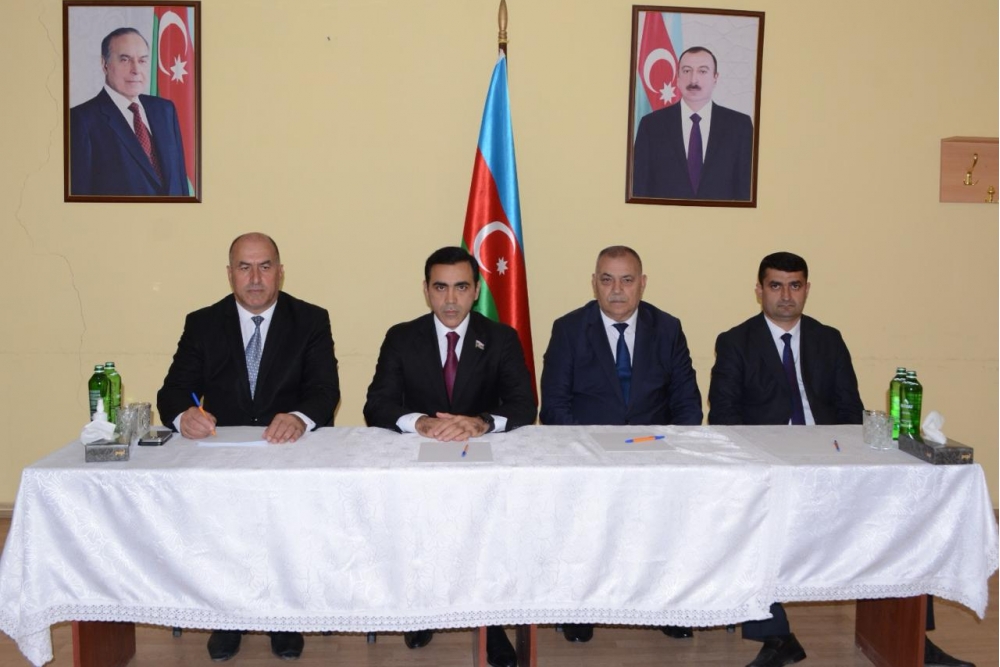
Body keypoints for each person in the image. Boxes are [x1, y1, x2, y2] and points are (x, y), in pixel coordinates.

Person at [708, 252, 973, 667]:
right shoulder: (735, 341)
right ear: (759, 290)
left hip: (831, 460)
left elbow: (851, 410)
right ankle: (777, 637)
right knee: (748, 517)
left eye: (795, 286)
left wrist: (851, 459)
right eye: (775, 286)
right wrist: (766, 459)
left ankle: (911, 638)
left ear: (807, 289)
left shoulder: (828, 339)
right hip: (771, 464)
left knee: (904, 511)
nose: (786, 295)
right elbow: (724, 416)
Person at [157, 232, 340, 662]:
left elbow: (324, 390)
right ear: (230, 274)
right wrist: (184, 416)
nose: (255, 278)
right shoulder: (203, 323)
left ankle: (284, 619)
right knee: (226, 532)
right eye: (244, 267)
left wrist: (299, 417)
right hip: (225, 456)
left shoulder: (310, 320)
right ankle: (228, 617)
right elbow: (173, 391)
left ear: (280, 272)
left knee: (285, 531)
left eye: (264, 266)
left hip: (288, 454)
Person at [364, 246, 536, 667]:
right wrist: (420, 422)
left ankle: (490, 622)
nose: (451, 299)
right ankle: (426, 609)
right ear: (426, 291)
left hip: (482, 465)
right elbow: (377, 404)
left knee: (485, 535)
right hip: (420, 466)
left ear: (476, 291)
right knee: (423, 532)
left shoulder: (501, 338)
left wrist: (481, 423)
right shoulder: (401, 337)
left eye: (461, 287)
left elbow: (524, 404)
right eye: (440, 287)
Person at [539, 245, 702, 644]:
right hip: (589, 456)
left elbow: (687, 404)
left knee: (669, 519)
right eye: (607, 279)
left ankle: (667, 604)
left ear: (642, 284)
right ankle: (582, 607)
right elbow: (554, 406)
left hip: (654, 454)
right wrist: (593, 452)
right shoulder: (569, 329)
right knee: (587, 523)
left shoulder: (668, 328)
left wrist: (670, 451)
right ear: (593, 283)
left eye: (627, 280)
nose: (616, 290)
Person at [70, 27, 189, 197]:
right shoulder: (81, 120)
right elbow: (80, 197)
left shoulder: (165, 110)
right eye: (125, 60)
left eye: (142, 61)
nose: (136, 70)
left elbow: (180, 183)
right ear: (105, 64)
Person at [631, 46, 753, 201]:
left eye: (702, 71)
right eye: (687, 71)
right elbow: (639, 188)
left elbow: (746, 191)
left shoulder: (740, 126)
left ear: (715, 78)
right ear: (677, 77)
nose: (693, 80)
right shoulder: (651, 126)